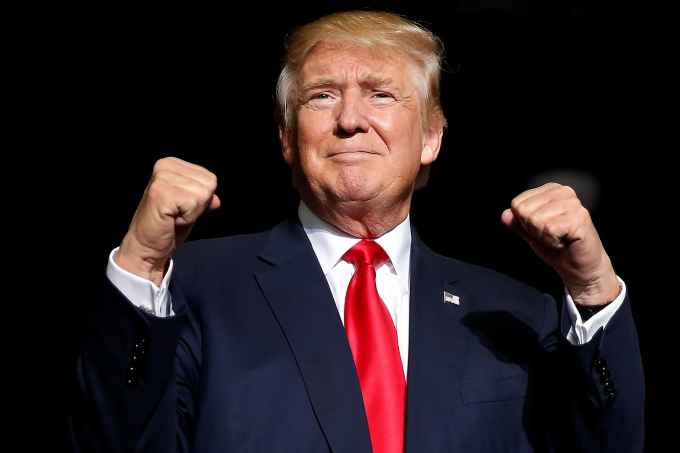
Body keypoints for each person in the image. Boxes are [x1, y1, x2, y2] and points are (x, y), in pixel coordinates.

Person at [70, 10, 644, 453]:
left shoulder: (514, 312)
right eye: (322, 96)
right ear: (287, 138)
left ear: (431, 137)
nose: (350, 120)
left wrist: (593, 286)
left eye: (381, 94)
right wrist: (141, 262)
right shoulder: (190, 290)